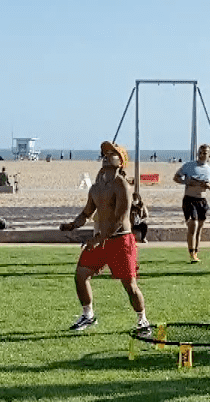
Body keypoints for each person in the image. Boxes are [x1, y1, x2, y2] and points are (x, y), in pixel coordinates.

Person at [60, 141, 150, 331]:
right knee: (81, 274)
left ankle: (143, 321)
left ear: (121, 161)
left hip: (121, 241)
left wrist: (98, 239)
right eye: (105, 153)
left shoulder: (122, 185)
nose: (106, 156)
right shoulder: (96, 187)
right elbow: (86, 213)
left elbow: (120, 219)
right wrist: (72, 225)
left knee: (130, 286)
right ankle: (88, 315)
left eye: (112, 153)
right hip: (101, 240)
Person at [173, 143, 210, 262]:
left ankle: (196, 250)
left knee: (200, 227)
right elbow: (176, 177)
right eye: (201, 152)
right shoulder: (189, 166)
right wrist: (187, 182)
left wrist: (209, 186)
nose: (202, 155)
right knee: (193, 225)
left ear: (209, 155)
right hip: (189, 199)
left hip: (202, 200)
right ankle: (191, 253)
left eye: (205, 153)